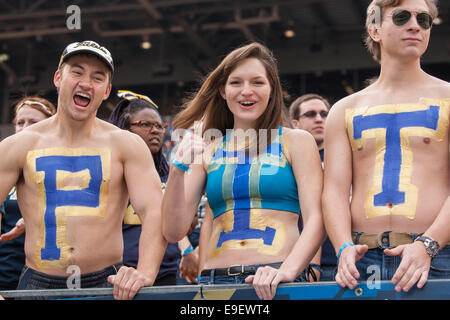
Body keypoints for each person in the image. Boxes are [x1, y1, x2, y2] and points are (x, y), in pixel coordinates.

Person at [0, 40, 166, 300]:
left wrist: (145, 271)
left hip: (106, 282)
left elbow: (154, 211)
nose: (86, 83)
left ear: (106, 90)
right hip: (36, 283)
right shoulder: (19, 145)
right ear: (58, 77)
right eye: (77, 72)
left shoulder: (126, 144)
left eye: (97, 77)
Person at [162, 42, 325, 300]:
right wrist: (177, 169)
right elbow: (173, 231)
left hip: (276, 281)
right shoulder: (208, 148)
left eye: (257, 82)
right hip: (215, 283)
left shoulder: (296, 141)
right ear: (223, 91)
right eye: (236, 82)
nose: (246, 91)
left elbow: (317, 217)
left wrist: (289, 270)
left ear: (272, 89)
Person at [322, 0, 450, 293]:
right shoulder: (343, 110)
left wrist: (428, 245)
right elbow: (334, 191)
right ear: (374, 29)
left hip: (437, 256)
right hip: (361, 258)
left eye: (424, 19)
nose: (415, 25)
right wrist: (343, 247)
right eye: (402, 17)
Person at [108, 90, 198, 285]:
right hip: (121, 276)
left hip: (168, 274)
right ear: (124, 127)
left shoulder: (171, 175)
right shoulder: (110, 174)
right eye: (145, 125)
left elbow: (184, 227)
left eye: (160, 125)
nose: (156, 130)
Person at [0, 97, 56, 291]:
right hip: (4, 276)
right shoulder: (4, 166)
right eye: (20, 122)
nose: (25, 128)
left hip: (46, 279)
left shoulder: (66, 170)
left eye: (34, 123)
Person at [289, 93, 337, 281]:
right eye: (310, 114)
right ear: (295, 124)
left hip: (345, 259)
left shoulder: (345, 158)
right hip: (296, 262)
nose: (319, 119)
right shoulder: (283, 162)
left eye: (324, 114)